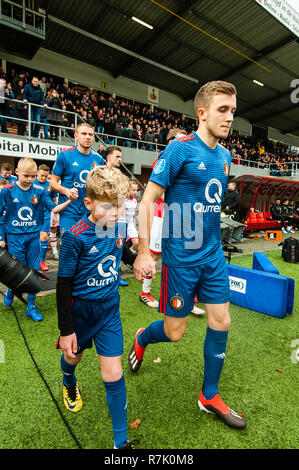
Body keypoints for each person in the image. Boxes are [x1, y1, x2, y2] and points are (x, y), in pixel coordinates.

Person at [129, 80, 246, 430]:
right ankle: (141, 338)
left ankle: (209, 395)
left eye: (233, 112)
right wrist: (143, 252)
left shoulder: (224, 157)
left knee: (221, 320)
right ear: (202, 113)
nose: (229, 118)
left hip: (212, 255)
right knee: (175, 332)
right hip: (181, 259)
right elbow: (148, 201)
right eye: (222, 110)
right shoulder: (179, 150)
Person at [56, 166, 138, 449]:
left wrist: (134, 260)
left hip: (109, 312)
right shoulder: (74, 235)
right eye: (108, 206)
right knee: (73, 359)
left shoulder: (119, 225)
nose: (116, 213)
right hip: (81, 314)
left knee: (113, 374)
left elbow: (121, 249)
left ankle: (120, 441)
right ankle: (68, 380)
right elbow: (64, 286)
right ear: (88, 204)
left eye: (120, 206)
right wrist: (66, 330)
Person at [140, 128, 205, 316]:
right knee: (154, 256)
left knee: (186, 257)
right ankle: (145, 292)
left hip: (183, 216)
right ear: (169, 141)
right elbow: (158, 192)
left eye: (185, 139)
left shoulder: (190, 160)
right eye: (178, 139)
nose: (184, 143)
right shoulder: (163, 159)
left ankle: (186, 298)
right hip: (163, 214)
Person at [0, 158, 71, 321]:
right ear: (17, 172)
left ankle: (31, 307)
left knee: (33, 271)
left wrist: (69, 200)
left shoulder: (39, 191)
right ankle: (11, 290)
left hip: (34, 237)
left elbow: (54, 208)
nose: (30, 179)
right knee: (17, 272)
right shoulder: (7, 191)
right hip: (15, 238)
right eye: (26, 176)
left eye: (33, 176)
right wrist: (1, 236)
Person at [50, 123, 105, 236]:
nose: (87, 137)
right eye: (84, 134)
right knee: (69, 247)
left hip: (90, 212)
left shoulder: (98, 159)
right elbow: (52, 183)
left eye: (90, 134)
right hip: (70, 211)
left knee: (88, 249)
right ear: (76, 136)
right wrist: (67, 191)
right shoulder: (65, 155)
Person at [105, 145, 128, 286]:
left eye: (120, 156)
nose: (120, 159)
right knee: (105, 247)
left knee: (118, 247)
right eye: (117, 157)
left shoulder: (120, 175)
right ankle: (104, 274)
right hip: (106, 218)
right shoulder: (100, 173)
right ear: (109, 157)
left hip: (120, 219)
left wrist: (124, 219)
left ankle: (116, 275)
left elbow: (122, 198)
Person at [34, 164, 59, 270]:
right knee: (34, 239)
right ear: (37, 173)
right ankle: (32, 260)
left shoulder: (50, 186)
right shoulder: (31, 183)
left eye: (45, 176)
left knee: (44, 236)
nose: (43, 178)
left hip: (45, 214)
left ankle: (41, 261)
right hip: (32, 214)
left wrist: (55, 215)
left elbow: (54, 201)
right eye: (41, 175)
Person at [125, 178, 139, 253]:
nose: (135, 192)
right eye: (133, 190)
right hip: (122, 225)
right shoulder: (122, 199)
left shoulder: (135, 201)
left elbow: (134, 215)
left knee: (136, 243)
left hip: (130, 224)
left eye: (136, 190)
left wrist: (133, 226)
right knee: (119, 246)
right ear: (127, 189)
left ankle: (128, 257)